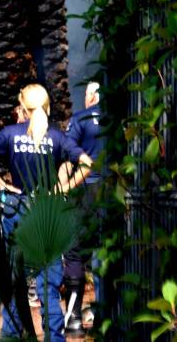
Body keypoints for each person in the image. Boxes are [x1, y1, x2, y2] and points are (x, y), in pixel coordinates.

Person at [0, 84, 94, 341]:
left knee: (15, 279)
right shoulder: (57, 137)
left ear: (22, 108)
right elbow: (86, 163)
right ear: (47, 107)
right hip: (46, 214)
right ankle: (54, 337)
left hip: (17, 210)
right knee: (48, 287)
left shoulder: (10, 134)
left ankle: (12, 336)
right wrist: (63, 187)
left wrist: (1, 184)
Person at [61, 82, 105, 335]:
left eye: (86, 95)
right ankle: (105, 313)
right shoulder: (117, 119)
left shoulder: (81, 118)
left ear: (91, 97)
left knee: (75, 252)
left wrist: (63, 187)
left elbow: (68, 154)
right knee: (104, 251)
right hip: (115, 190)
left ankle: (74, 319)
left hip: (86, 190)